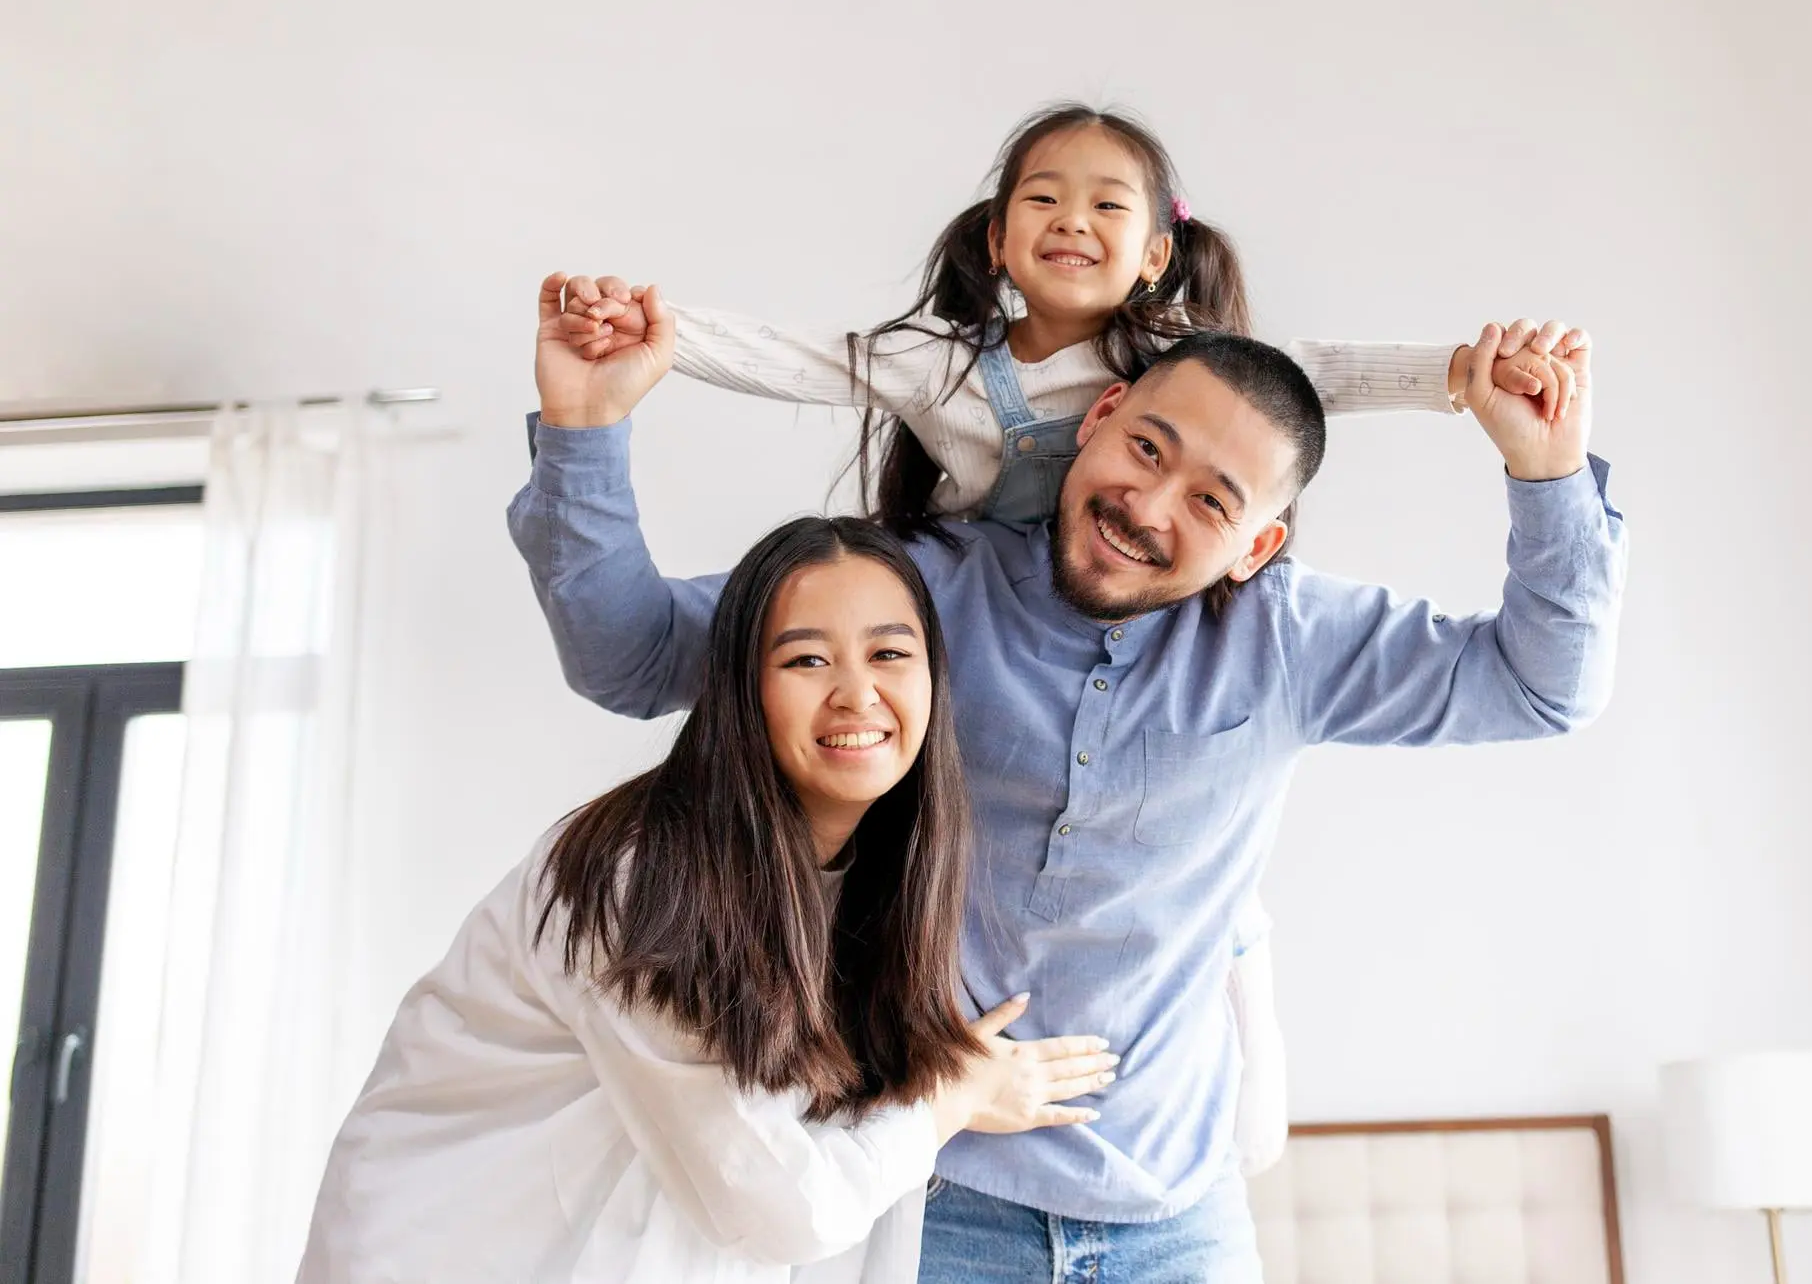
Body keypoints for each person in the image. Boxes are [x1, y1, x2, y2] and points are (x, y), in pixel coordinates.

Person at [510, 275, 1624, 1280]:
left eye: (1210, 499)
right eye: (1146, 449)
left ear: (1255, 547)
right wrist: (584, 429)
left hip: (1178, 1223)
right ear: (1097, 420)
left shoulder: (1292, 639)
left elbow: (1539, 686)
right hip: (933, 1196)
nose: (1149, 506)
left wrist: (1547, 472)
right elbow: (632, 657)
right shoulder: (918, 591)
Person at [298, 516, 1119, 1283]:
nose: (857, 693)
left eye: (890, 654)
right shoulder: (640, 881)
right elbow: (784, 1205)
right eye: (806, 660)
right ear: (740, 690)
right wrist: (951, 1097)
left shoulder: (886, 875)